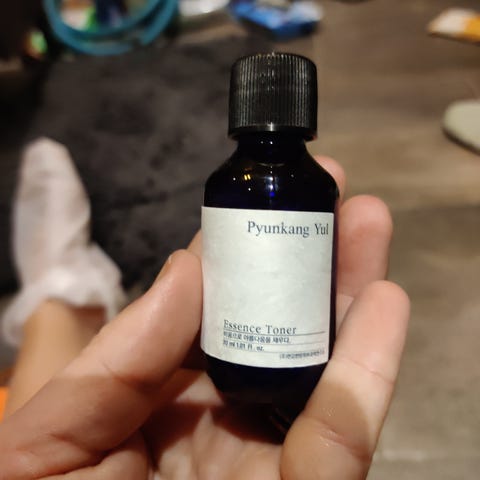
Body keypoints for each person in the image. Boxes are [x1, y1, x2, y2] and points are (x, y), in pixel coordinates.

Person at [0, 138, 409, 479]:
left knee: (49, 344)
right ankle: (67, 291)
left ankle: (59, 291)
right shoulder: (234, 182)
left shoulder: (308, 185)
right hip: (191, 424)